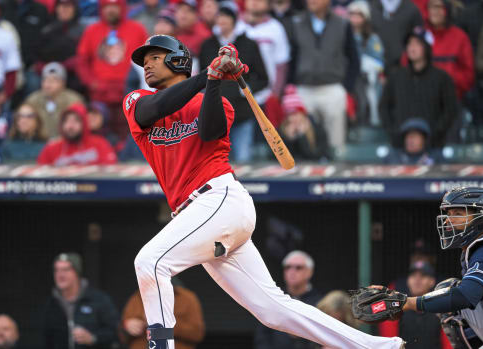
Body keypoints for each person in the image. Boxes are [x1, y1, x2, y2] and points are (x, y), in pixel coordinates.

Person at [123, 35, 404, 349]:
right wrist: (209, 75)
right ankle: (381, 346)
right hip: (200, 218)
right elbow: (153, 109)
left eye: (155, 56)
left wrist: (214, 82)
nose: (146, 63)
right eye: (144, 59)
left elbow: (209, 130)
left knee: (150, 261)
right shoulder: (135, 99)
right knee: (274, 310)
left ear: (178, 60)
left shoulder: (216, 102)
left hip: (218, 200)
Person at [381, 187, 483, 348]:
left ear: (480, 217)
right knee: (447, 290)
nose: (448, 220)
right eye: (448, 213)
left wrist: (407, 302)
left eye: (458, 214)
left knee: (457, 295)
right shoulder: (474, 250)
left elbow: (465, 296)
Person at [286, 0, 360, 155]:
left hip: (332, 87)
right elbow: (291, 58)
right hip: (304, 88)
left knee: (336, 142)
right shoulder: (296, 22)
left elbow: (353, 58)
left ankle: (337, 174)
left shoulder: (342, 23)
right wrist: (290, 87)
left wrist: (347, 88)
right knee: (304, 137)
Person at [199, 1, 269, 162]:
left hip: (242, 113)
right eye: (219, 17)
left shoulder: (249, 44)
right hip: (215, 115)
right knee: (215, 161)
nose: (222, 21)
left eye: (226, 17)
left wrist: (246, 89)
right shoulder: (207, 45)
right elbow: (202, 77)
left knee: (243, 160)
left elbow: (264, 78)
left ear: (234, 20)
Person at [76, 0, 147, 140]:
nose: (110, 10)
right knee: (98, 131)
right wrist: (91, 82)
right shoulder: (92, 30)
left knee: (129, 131)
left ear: (122, 7)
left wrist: (136, 85)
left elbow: (146, 60)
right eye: (107, 6)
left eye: (114, 6)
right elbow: (82, 61)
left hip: (128, 92)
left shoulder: (137, 29)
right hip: (100, 92)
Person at [379, 26, 458, 148]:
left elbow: (450, 110)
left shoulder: (442, 78)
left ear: (426, 48)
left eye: (417, 43)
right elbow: (384, 107)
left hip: (433, 146)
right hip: (401, 146)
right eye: (409, 44)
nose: (412, 48)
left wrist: (435, 134)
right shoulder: (396, 77)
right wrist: (394, 133)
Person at [43, 253, 119, 349]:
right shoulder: (51, 304)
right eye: (56, 270)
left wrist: (93, 338)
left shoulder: (98, 300)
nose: (60, 275)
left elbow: (116, 332)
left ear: (77, 272)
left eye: (66, 270)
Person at [254, 250, 322, 349]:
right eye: (288, 267)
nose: (292, 271)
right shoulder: (274, 299)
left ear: (309, 272)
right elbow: (262, 337)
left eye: (298, 267)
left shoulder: (320, 302)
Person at [379, 261, 452, 349]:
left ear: (432, 282)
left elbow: (449, 344)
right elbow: (389, 342)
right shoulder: (396, 307)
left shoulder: (440, 308)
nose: (417, 280)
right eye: (413, 276)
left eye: (423, 276)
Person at [120, 279, 205, 349]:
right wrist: (127, 326)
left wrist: (164, 325)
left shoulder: (186, 298)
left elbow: (197, 334)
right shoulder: (137, 297)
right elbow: (120, 333)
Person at [37, 103, 117, 165]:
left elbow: (111, 169)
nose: (70, 126)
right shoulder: (51, 148)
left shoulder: (100, 144)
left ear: (84, 123)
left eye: (76, 121)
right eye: (66, 121)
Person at [242, 0, 290, 102]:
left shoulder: (276, 28)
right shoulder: (235, 25)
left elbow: (281, 65)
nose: (254, 2)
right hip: (239, 97)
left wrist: (275, 95)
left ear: (269, 5)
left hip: (266, 96)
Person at [425, 0, 474, 99]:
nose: (434, 11)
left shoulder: (460, 37)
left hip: (452, 99)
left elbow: (469, 77)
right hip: (424, 100)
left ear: (447, 9)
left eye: (439, 7)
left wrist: (448, 76)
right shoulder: (420, 35)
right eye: (431, 7)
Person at [347, 0, 384, 126]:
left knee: (368, 102)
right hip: (349, 78)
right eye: (352, 14)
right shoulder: (344, 35)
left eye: (359, 14)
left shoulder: (372, 38)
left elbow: (378, 61)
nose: (355, 18)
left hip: (368, 80)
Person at [25, 62, 84, 139]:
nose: (48, 84)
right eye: (45, 80)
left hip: (65, 142)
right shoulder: (32, 100)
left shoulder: (74, 100)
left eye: (54, 80)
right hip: (38, 143)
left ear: (63, 83)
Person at [38, 0, 87, 92]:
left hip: (74, 75)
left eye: (68, 6)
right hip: (50, 74)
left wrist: (69, 64)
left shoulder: (84, 31)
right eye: (61, 6)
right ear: (56, 9)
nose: (64, 9)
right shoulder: (47, 30)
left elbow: (85, 56)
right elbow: (39, 55)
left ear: (74, 9)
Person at [278, 84, 329, 160]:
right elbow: (283, 159)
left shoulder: (317, 128)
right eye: (290, 115)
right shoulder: (281, 131)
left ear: (302, 113)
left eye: (296, 114)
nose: (293, 118)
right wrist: (290, 139)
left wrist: (302, 136)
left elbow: (316, 155)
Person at [370, 0, 423, 71]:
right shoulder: (370, 7)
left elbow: (418, 39)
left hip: (402, 68)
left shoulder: (412, 9)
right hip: (374, 66)